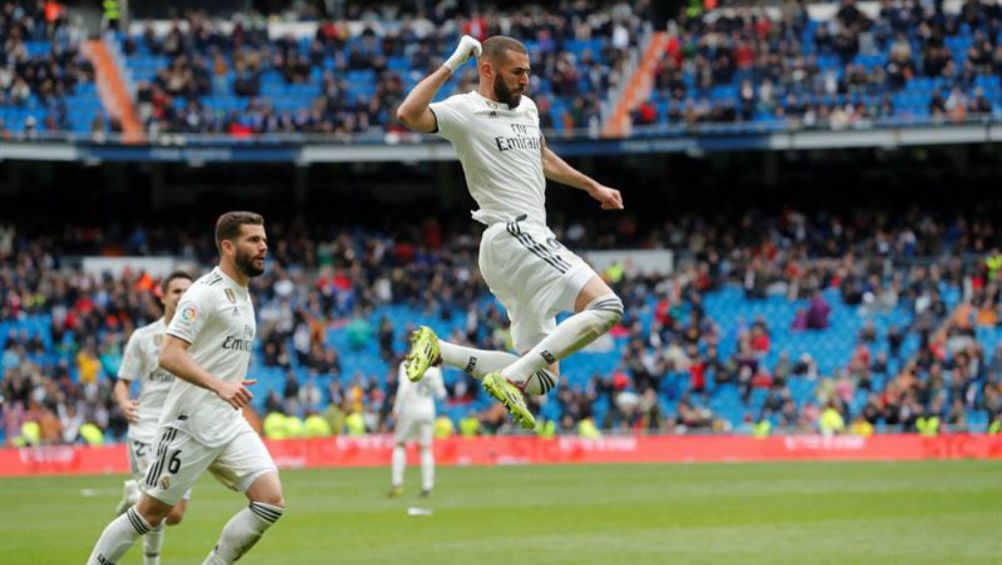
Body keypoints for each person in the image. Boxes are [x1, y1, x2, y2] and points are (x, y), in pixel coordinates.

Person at [396, 35, 624, 429]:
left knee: (542, 378)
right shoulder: (465, 110)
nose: (525, 81)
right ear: (487, 70)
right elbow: (408, 113)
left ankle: (442, 351)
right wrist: (454, 61)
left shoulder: (528, 110)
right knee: (608, 307)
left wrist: (591, 186)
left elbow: (540, 158)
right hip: (514, 232)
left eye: (528, 73)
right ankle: (509, 378)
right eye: (518, 72)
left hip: (514, 246)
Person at [87, 212, 284, 565]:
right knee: (150, 514)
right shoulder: (203, 294)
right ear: (227, 246)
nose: (263, 246)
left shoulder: (243, 293)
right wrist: (219, 385)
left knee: (270, 501)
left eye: (264, 239)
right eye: (254, 240)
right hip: (189, 422)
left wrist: (226, 389)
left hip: (227, 421)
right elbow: (169, 354)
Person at [112, 270, 193, 565]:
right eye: (177, 291)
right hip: (147, 427)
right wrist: (123, 402)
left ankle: (135, 495)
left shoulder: (201, 338)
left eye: (188, 291)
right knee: (158, 506)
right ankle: (152, 561)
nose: (183, 296)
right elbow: (122, 381)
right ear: (163, 296)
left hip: (184, 429)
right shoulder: (143, 337)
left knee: (175, 515)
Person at [388, 360, 445, 498]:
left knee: (400, 444)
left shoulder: (406, 364)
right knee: (425, 448)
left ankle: (397, 484)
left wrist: (396, 408)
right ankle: (427, 486)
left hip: (410, 409)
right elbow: (441, 394)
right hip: (428, 411)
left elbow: (403, 388)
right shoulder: (434, 369)